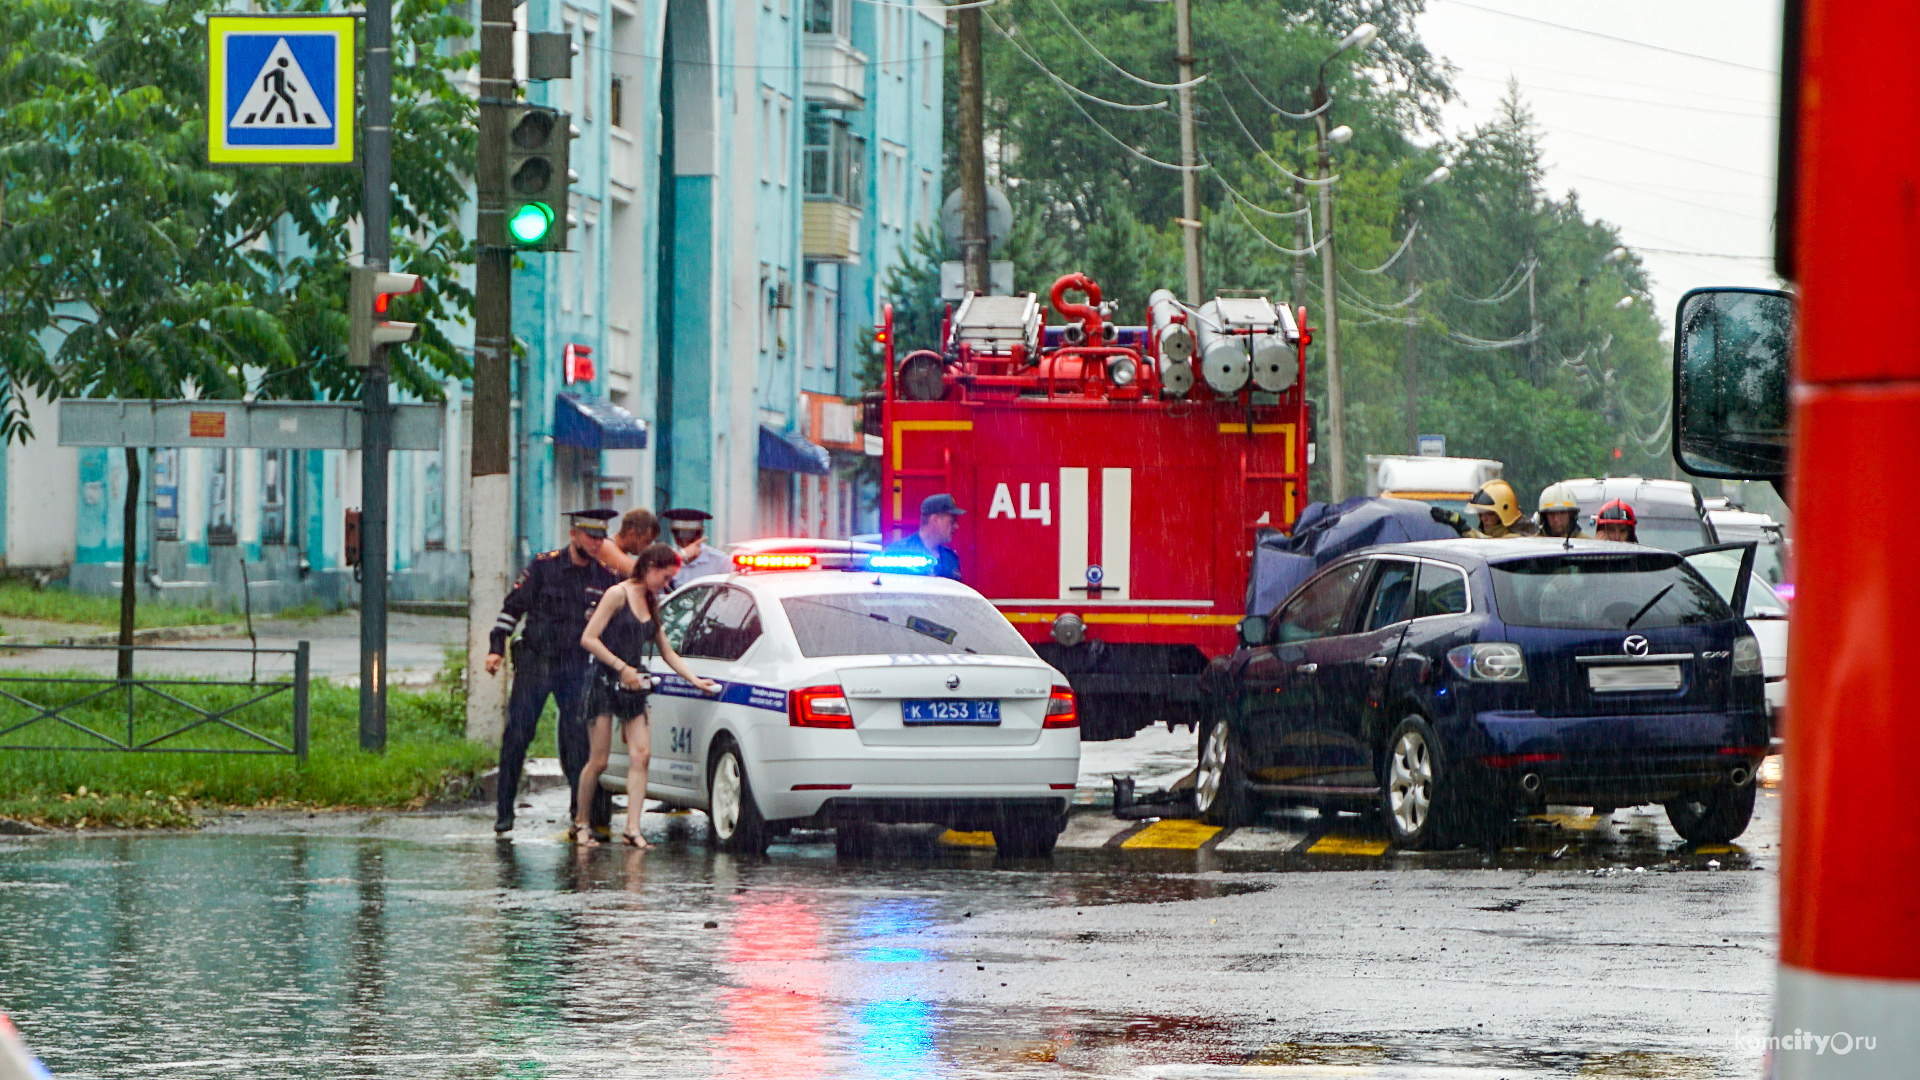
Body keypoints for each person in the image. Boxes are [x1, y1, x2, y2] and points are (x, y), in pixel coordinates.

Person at [485, 509, 621, 837]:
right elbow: (512, 608)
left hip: (574, 665)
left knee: (578, 741)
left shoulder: (604, 578)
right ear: (574, 535)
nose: (596, 542)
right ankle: (504, 812)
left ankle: (580, 814)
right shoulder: (544, 567)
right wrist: (496, 647)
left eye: (601, 537)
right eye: (590, 536)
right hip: (536, 662)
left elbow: (612, 624)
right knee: (518, 735)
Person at [574, 543, 721, 847]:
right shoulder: (618, 594)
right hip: (604, 679)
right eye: (665, 576)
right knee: (598, 760)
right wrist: (620, 666)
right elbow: (588, 638)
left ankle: (632, 829)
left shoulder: (651, 601)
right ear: (651, 567)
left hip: (634, 684)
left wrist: (696, 680)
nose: (667, 584)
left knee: (641, 756)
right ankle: (581, 823)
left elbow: (666, 651)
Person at [882, 493, 965, 580]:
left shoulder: (951, 558)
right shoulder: (899, 551)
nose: (956, 526)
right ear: (935, 519)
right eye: (952, 521)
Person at [663, 508, 730, 589]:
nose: (684, 541)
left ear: (700, 535)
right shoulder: (666, 561)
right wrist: (681, 556)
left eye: (690, 535)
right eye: (679, 534)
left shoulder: (720, 561)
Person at [594, 506, 662, 578]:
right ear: (632, 533)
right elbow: (640, 572)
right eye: (647, 541)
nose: (648, 547)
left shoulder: (621, 553)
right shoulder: (606, 545)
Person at [1467, 479, 1540, 538]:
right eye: (1481, 514)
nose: (1483, 519)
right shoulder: (1488, 537)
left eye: (1489, 514)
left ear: (1504, 515)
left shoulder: (1515, 540)